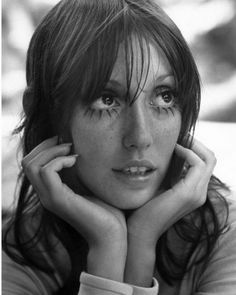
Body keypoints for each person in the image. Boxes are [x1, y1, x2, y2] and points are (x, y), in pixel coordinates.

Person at [2, 0, 236, 294]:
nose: (140, 136)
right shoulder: (15, 258)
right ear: (47, 112)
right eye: (106, 100)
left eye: (164, 96)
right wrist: (108, 247)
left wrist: (141, 239)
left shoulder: (227, 235)